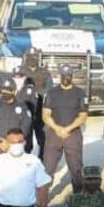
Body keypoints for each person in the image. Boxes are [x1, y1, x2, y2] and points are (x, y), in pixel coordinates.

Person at [42, 64, 88, 192]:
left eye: (68, 75)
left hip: (72, 134)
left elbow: (83, 116)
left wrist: (67, 129)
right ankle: (42, 200)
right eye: (63, 75)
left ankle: (78, 198)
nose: (66, 78)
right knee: (48, 168)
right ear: (59, 76)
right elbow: (45, 115)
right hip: (53, 134)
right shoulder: (51, 93)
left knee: (76, 169)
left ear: (72, 76)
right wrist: (57, 129)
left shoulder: (80, 93)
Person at [0, 77, 32, 170]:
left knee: (16, 174)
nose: (6, 92)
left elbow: (26, 126)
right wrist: (0, 141)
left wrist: (13, 141)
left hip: (16, 145)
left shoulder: (22, 107)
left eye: (9, 90)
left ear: (14, 91)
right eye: (3, 90)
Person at [22, 48, 53, 155]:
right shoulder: (20, 71)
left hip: (40, 110)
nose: (32, 59)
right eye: (30, 57)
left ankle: (43, 162)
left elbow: (49, 89)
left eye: (34, 57)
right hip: (24, 110)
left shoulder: (45, 72)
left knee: (43, 139)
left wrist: (36, 94)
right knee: (25, 140)